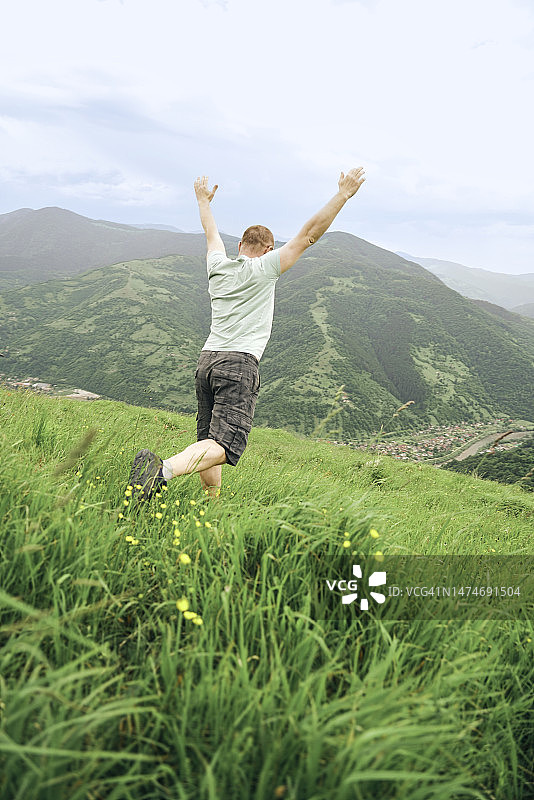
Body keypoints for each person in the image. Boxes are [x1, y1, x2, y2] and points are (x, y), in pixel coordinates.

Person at [128, 167, 365, 500]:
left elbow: (210, 232)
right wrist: (342, 194)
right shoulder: (266, 267)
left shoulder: (218, 265)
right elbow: (308, 235)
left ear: (239, 245)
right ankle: (161, 470)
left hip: (207, 361)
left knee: (208, 440)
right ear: (268, 250)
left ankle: (212, 505)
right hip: (238, 365)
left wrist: (203, 201)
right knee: (224, 444)